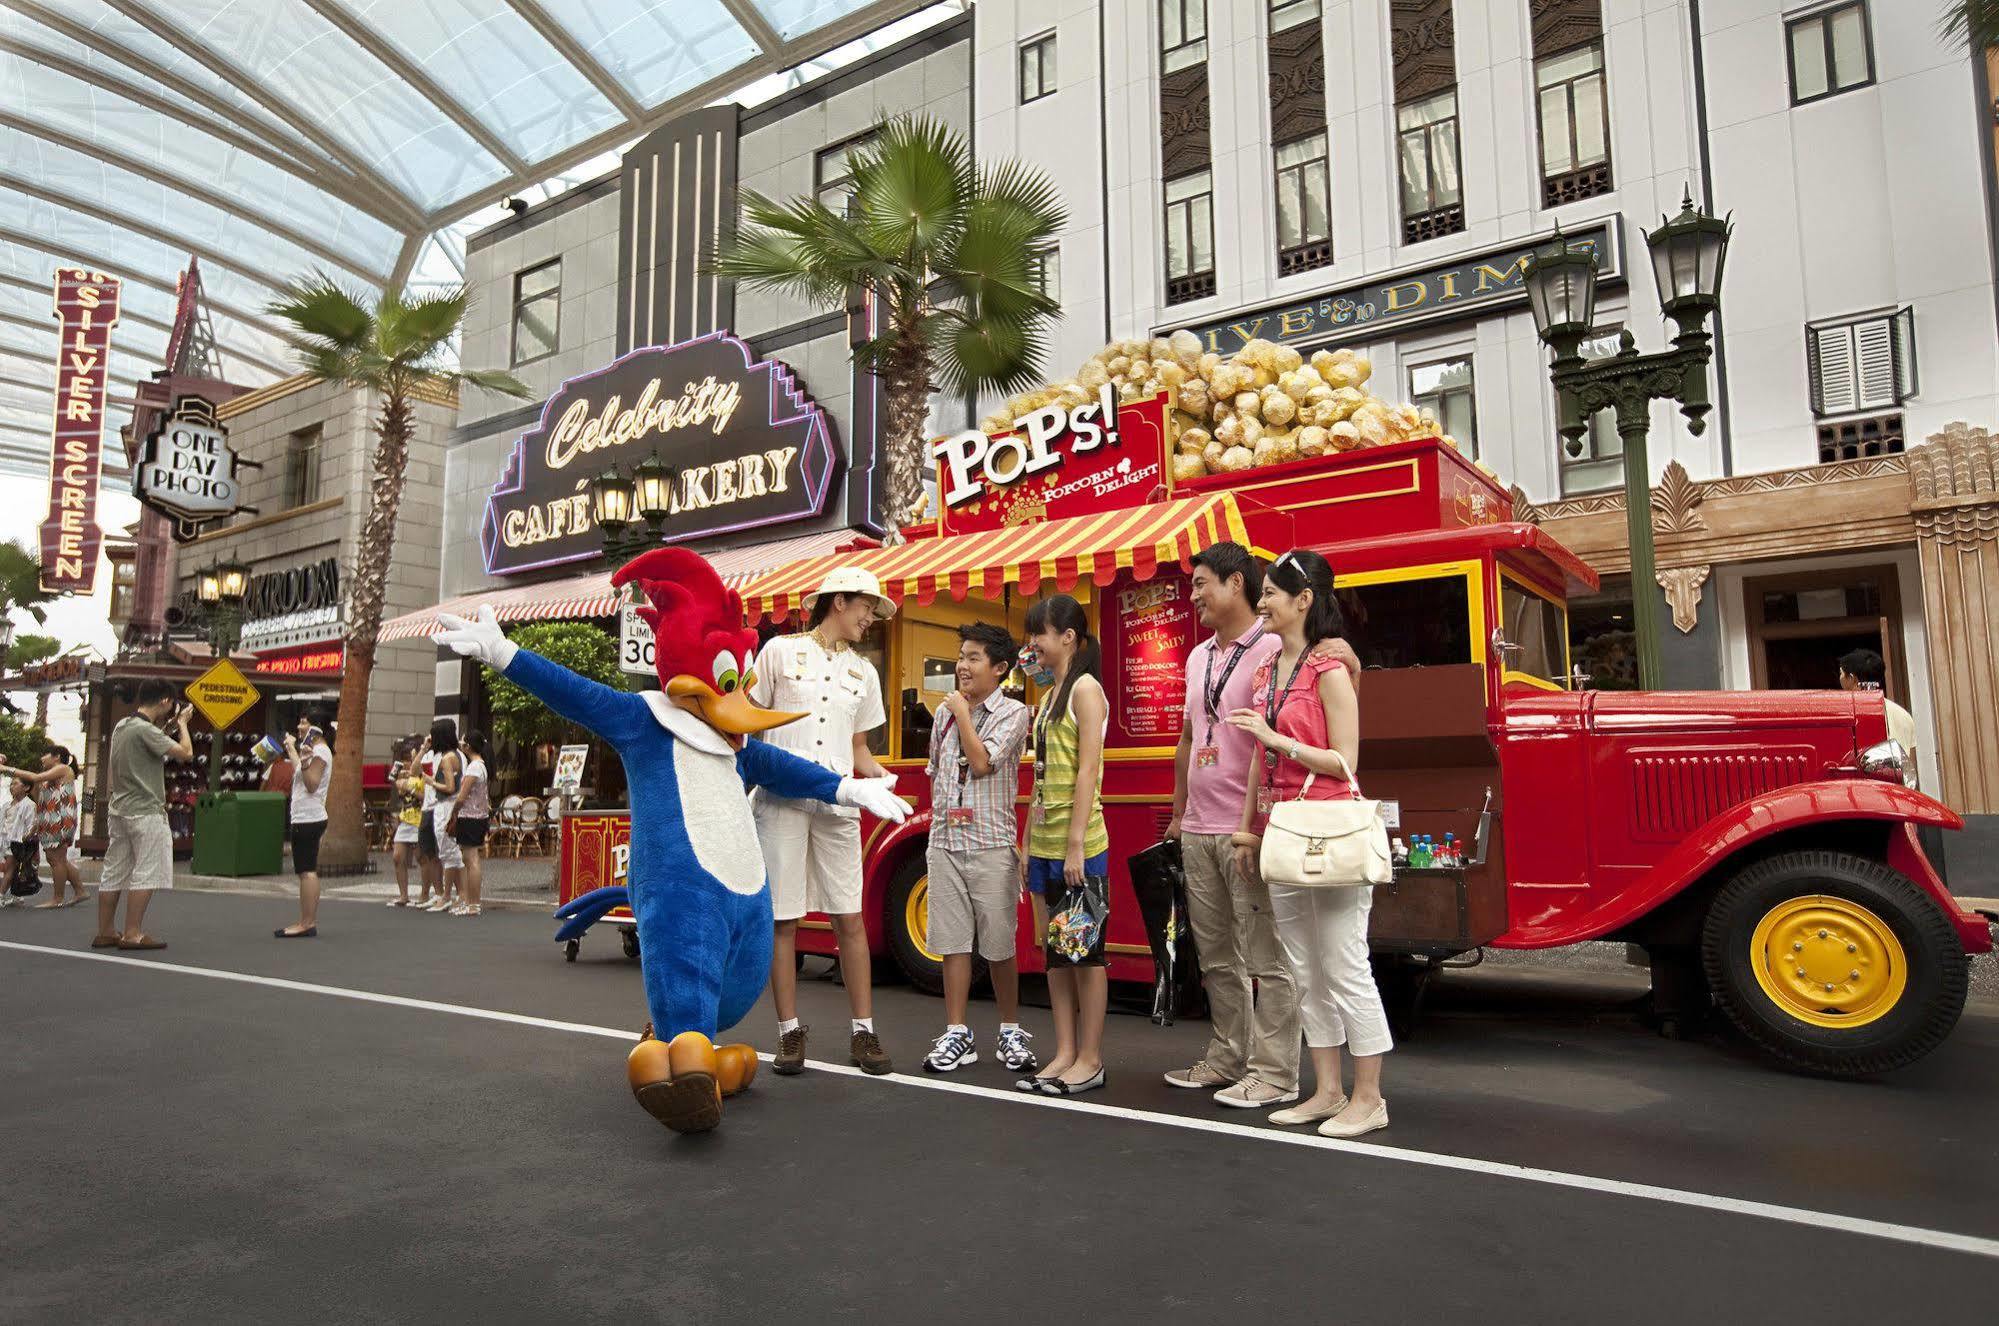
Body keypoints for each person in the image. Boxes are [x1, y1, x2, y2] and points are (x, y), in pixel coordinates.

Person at [1228, 549, 1391, 1138]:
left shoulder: (1330, 666)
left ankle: (1368, 1096)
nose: (1262, 601)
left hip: (1329, 829)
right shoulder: (1267, 669)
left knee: (1345, 962)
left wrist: (1277, 738)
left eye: (1270, 593)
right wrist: (1248, 831)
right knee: (1304, 967)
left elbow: (1344, 761)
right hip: (1283, 832)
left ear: (1304, 601)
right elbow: (1255, 760)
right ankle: (1326, 1091)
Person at [748, 567, 896, 1076]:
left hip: (839, 803)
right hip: (782, 800)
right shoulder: (779, 652)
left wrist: (883, 779)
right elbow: (748, 722)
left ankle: (864, 1032)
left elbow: (858, 749)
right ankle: (789, 1034)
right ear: (839, 602)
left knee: (849, 917)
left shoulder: (866, 672)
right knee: (782, 919)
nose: (870, 619)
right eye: (866, 608)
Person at [921, 622, 1035, 1075]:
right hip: (945, 841)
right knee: (952, 942)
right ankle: (956, 1033)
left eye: (973, 658)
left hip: (991, 843)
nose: (962, 667)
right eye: (961, 656)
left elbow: (983, 763)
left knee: (999, 943)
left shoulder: (1014, 712)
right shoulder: (942, 715)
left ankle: (1010, 1028)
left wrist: (963, 715)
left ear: (1000, 668)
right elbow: (937, 773)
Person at [1017, 594, 1110, 1095]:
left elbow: (1087, 771)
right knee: (1056, 954)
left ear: (1068, 637)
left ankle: (1090, 1060)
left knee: (1086, 955)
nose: (1032, 643)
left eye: (1041, 633)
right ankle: (1066, 1052)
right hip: (1047, 845)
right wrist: (1029, 839)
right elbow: (1042, 772)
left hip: (1079, 846)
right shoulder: (1052, 691)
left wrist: (1075, 845)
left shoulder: (1086, 690)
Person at [95, 680, 193, 951]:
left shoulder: (123, 726)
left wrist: (171, 725)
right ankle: (133, 933)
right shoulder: (145, 731)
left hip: (120, 809)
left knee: (114, 869)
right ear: (164, 700)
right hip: (146, 811)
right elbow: (186, 753)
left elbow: (151, 737)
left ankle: (105, 931)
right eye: (171, 702)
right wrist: (183, 724)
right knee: (146, 871)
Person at [3, 744, 84, 909]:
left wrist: (6, 769)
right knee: (59, 859)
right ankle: (80, 891)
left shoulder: (63, 769)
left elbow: (34, 778)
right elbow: (37, 790)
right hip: (50, 821)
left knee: (57, 860)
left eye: (45, 755)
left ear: (56, 757)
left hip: (59, 820)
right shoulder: (50, 779)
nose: (41, 758)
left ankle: (57, 898)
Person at [278, 716, 332, 938]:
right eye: (299, 722)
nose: (299, 727)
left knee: (307, 871)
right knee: (304, 871)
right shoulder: (313, 750)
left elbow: (311, 784)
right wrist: (294, 750)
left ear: (316, 727)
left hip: (309, 817)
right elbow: (303, 773)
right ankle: (305, 920)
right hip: (303, 816)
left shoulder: (319, 752)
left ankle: (307, 922)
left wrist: (298, 754)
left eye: (304, 723)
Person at [1839, 648, 1918, 780]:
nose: (1840, 678)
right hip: (1897, 792)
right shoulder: (1904, 715)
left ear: (1852, 678)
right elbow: (1910, 768)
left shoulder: (1846, 714)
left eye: (1841, 673)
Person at [445, 729, 491, 917]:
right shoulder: (481, 765)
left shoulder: (474, 767)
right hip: (478, 816)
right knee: (469, 859)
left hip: (470, 816)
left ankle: (473, 903)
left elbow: (462, 796)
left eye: (464, 742)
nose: (461, 744)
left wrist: (453, 813)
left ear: (468, 746)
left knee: (470, 859)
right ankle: (472, 902)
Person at [422, 720, 464, 913]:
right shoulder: (459, 756)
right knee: (454, 853)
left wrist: (431, 782)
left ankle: (447, 895)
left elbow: (449, 787)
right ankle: (460, 895)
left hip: (445, 806)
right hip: (452, 806)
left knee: (448, 853)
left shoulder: (447, 758)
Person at [387, 736, 425, 907]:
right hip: (405, 818)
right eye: (406, 759)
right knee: (397, 857)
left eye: (410, 759)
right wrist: (400, 781)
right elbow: (397, 788)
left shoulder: (424, 775)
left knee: (421, 858)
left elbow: (427, 797)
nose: (408, 763)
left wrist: (410, 788)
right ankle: (404, 895)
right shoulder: (403, 776)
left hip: (419, 819)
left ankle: (424, 895)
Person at [0, 776, 36, 906]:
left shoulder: (29, 805)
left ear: (26, 788)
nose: (11, 787)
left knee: (10, 868)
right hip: (5, 840)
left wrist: (25, 839)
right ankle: (16, 894)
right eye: (11, 784)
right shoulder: (7, 805)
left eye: (15, 784)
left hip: (17, 842)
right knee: (12, 869)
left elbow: (31, 825)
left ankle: (1, 894)